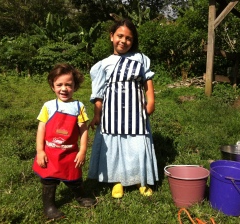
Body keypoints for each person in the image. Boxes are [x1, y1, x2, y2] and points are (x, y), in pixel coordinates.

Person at [88, 19, 159, 198]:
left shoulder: (140, 59)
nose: (124, 41)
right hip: (111, 114)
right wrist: (97, 114)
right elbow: (99, 93)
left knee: (137, 147)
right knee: (115, 149)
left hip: (135, 113)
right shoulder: (103, 64)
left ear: (133, 41)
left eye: (128, 38)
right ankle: (117, 180)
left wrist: (151, 100)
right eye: (120, 36)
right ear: (112, 36)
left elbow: (147, 81)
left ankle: (139, 180)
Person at [32, 63, 97, 220]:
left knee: (74, 178)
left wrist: (82, 152)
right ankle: (49, 206)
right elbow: (41, 129)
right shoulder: (48, 106)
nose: (64, 88)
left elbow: (83, 130)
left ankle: (80, 196)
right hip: (51, 153)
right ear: (53, 86)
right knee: (48, 181)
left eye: (68, 84)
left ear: (75, 86)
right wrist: (40, 151)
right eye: (59, 84)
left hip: (70, 153)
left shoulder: (78, 107)